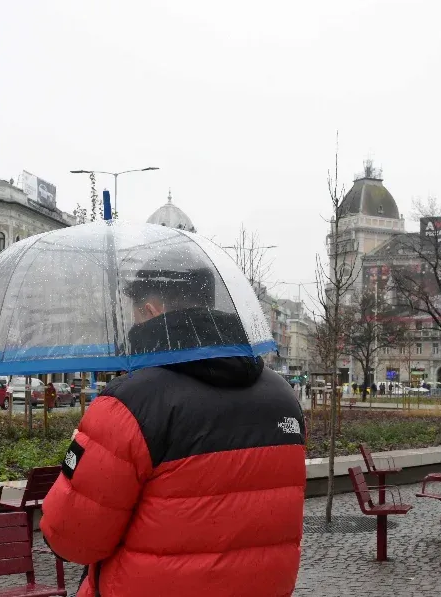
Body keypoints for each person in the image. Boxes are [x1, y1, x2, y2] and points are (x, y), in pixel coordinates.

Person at [40, 251, 306, 596]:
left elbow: (72, 539)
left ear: (151, 311)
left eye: (134, 314)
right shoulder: (283, 397)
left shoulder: (130, 405)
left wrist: (83, 455)